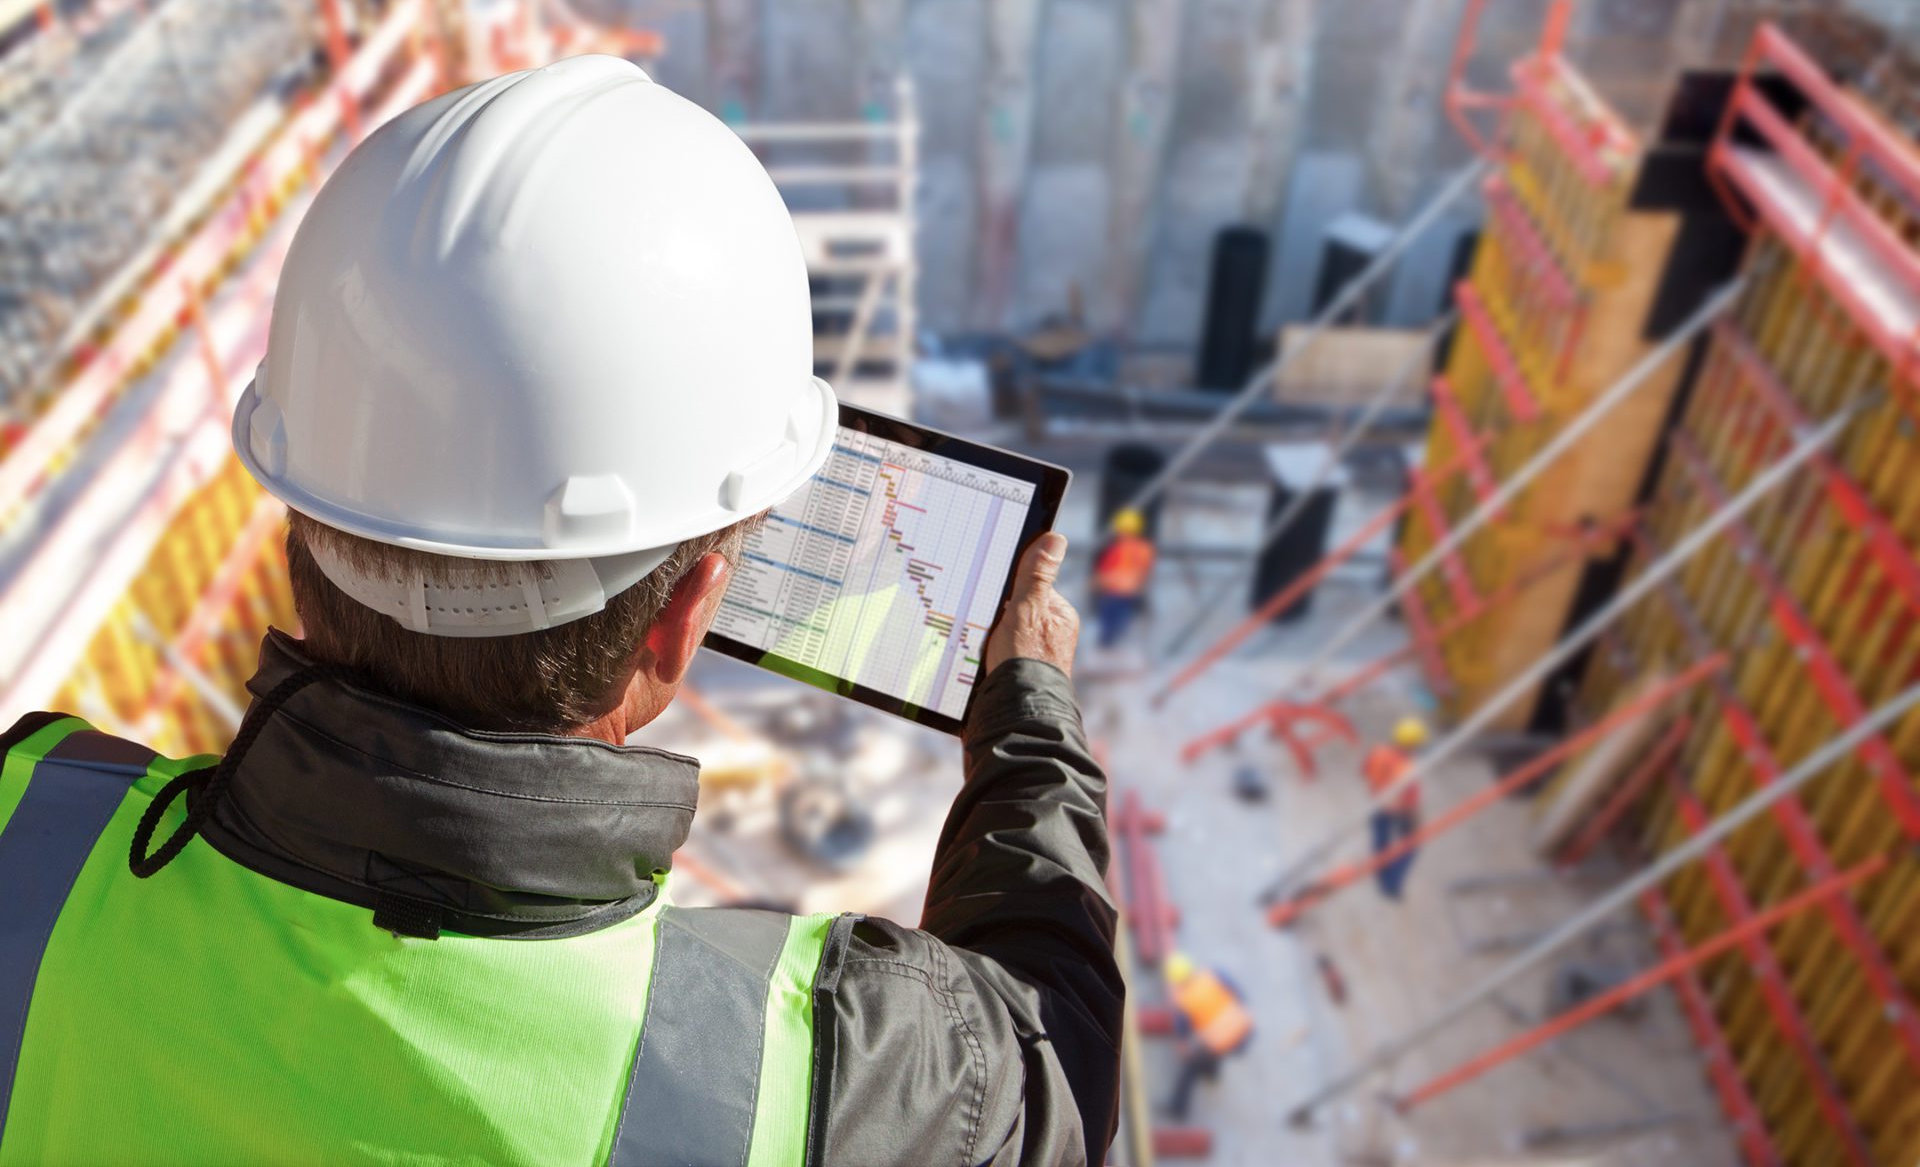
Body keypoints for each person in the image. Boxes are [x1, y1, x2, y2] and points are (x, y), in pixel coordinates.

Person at [0, 57, 1122, 1166]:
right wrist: (1026, 716)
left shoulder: (31, 823)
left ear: (302, 515)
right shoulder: (822, 1079)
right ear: (681, 616)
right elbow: (1051, 1059)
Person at [1163, 951, 1253, 1122]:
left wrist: (1183, 1050)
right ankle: (1212, 1075)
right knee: (1211, 1052)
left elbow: (1183, 1031)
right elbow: (1238, 993)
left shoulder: (1184, 999)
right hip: (1242, 1029)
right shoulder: (1213, 975)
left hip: (1221, 1039)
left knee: (1190, 1068)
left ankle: (1177, 1109)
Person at [1363, 715, 1429, 901]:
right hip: (1398, 810)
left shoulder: (1378, 751)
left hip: (1377, 803)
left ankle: (1380, 874)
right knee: (1410, 846)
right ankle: (1391, 885)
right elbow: (1410, 798)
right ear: (1413, 743)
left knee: (1380, 842)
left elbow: (1365, 770)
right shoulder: (1406, 767)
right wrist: (1415, 817)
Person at [1091, 507, 1155, 649]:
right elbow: (1145, 572)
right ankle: (1113, 650)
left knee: (1109, 627)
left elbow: (1106, 569)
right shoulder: (1145, 549)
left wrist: (1095, 582)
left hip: (1113, 591)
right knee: (1120, 625)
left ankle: (1106, 650)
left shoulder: (1118, 548)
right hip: (1130, 593)